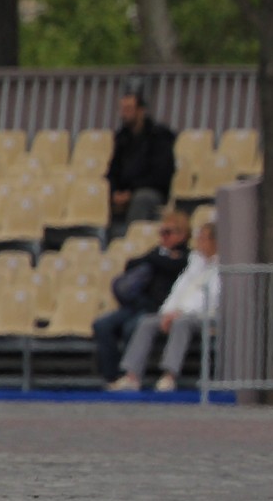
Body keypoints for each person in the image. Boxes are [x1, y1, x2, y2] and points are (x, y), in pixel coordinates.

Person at [107, 221, 220, 393]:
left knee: (182, 323)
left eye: (203, 239)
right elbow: (178, 290)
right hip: (179, 312)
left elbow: (210, 297)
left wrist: (179, 313)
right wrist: (168, 312)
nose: (198, 242)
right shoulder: (195, 263)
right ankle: (132, 376)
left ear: (215, 242)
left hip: (206, 315)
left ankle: (169, 376)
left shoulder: (221, 267)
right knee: (147, 322)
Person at [93, 210, 191, 386]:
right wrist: (156, 258)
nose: (163, 237)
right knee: (102, 325)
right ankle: (111, 377)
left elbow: (171, 266)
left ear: (182, 234)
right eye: (161, 232)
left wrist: (155, 258)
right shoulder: (157, 253)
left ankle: (132, 374)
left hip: (158, 307)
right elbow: (131, 263)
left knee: (133, 327)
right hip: (137, 304)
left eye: (167, 233)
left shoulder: (187, 257)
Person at [105, 90, 177, 238]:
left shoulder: (158, 136)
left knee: (141, 198)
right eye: (123, 109)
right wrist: (115, 192)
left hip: (151, 191)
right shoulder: (122, 138)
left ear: (141, 110)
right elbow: (113, 171)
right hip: (125, 192)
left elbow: (160, 174)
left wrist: (130, 192)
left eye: (129, 109)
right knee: (100, 194)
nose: (124, 113)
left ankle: (131, 240)